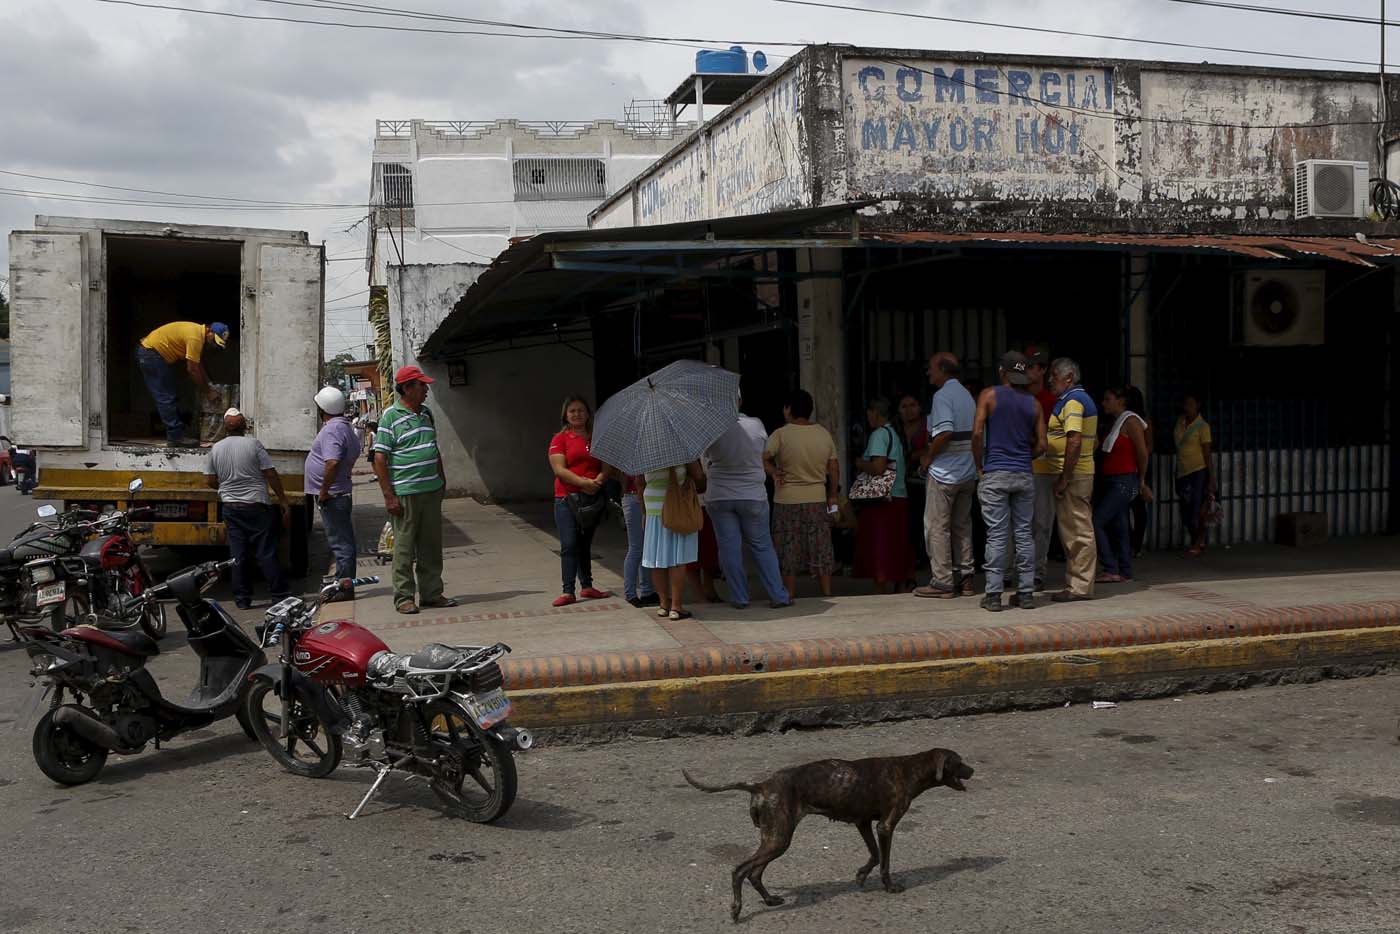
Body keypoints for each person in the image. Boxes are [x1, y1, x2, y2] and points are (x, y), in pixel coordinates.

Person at [374, 365, 456, 615]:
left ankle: (432, 593)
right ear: (407, 388)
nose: (426, 390)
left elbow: (433, 448)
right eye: (422, 385)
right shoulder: (390, 416)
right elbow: (379, 459)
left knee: (431, 546)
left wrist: (441, 481)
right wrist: (389, 496)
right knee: (404, 548)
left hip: (431, 490)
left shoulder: (427, 414)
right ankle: (404, 598)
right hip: (405, 493)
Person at [972, 352, 1047, 612]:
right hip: (1024, 474)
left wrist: (980, 464)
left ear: (1002, 372)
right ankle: (1025, 593)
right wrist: (1026, 456)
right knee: (1024, 533)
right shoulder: (1034, 404)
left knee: (997, 535)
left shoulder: (988, 395)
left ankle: (993, 595)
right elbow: (1043, 444)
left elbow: (977, 432)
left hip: (995, 472)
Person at [703, 407, 792, 610]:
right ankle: (778, 595)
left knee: (728, 548)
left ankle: (740, 598)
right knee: (762, 546)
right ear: (740, 401)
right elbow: (764, 453)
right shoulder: (756, 424)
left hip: (720, 496)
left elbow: (704, 459)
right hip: (752, 495)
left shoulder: (710, 429)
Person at [204, 408, 291, 610]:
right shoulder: (253, 445)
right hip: (257, 505)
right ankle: (279, 595)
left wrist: (225, 488)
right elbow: (270, 473)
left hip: (231, 508)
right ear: (245, 427)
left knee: (238, 555)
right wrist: (283, 500)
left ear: (225, 428)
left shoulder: (216, 449)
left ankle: (242, 599)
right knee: (265, 552)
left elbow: (209, 479)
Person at [764, 390, 839, 599]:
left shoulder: (780, 434)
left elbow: (764, 457)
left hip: (786, 499)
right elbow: (833, 467)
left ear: (788, 409)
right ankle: (827, 591)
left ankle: (789, 592)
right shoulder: (823, 433)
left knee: (788, 546)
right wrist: (832, 494)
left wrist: (773, 472)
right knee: (821, 545)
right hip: (817, 498)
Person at [913, 352, 976, 599]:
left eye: (931, 368)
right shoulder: (967, 396)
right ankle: (967, 578)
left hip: (944, 473)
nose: (929, 373)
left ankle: (942, 582)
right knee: (962, 526)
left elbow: (944, 432)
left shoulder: (942, 396)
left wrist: (928, 458)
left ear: (942, 369)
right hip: (967, 470)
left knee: (937, 527)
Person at [547, 396, 613, 608]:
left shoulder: (597, 437)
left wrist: (599, 481)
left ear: (588, 414)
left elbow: (607, 464)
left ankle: (587, 585)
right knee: (569, 545)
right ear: (565, 415)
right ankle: (568, 591)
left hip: (592, 498)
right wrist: (583, 482)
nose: (577, 414)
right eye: (572, 411)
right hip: (567, 499)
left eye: (581, 410)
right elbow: (559, 469)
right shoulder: (560, 439)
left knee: (584, 544)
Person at [1045, 358, 1099, 602]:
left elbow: (1075, 440)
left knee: (1078, 530)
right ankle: (1078, 583)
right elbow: (1092, 441)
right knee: (1074, 530)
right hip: (1078, 472)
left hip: (1075, 476)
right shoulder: (1075, 399)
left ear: (1068, 378)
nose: (1050, 380)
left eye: (1054, 376)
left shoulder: (1074, 401)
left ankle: (1079, 587)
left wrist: (1065, 478)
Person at [136, 321, 230, 448]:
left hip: (153, 353)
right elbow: (192, 369)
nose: (213, 345)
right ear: (209, 331)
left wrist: (210, 385)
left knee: (170, 395)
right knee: (166, 397)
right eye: (214, 341)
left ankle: (177, 435)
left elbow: (198, 364)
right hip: (151, 354)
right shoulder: (195, 337)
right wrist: (208, 392)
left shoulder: (198, 335)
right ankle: (175, 438)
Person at [306, 386, 361, 601]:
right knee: (343, 541)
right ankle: (343, 582)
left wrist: (324, 490)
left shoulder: (332, 430)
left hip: (333, 495)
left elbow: (332, 462)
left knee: (341, 543)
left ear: (323, 409)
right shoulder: (344, 427)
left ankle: (344, 587)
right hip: (339, 492)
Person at [1094, 387, 1153, 584]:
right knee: (1120, 527)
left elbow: (1143, 453)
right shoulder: (1115, 423)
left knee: (1098, 521)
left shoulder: (1131, 421)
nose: (1104, 403)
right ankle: (1125, 571)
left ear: (1121, 401)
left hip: (1124, 480)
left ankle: (1110, 567)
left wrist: (1142, 480)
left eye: (1108, 399)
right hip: (1114, 480)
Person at [853, 397, 911, 594]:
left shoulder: (878, 434)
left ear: (874, 413)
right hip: (898, 495)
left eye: (869, 413)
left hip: (883, 499)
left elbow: (878, 467)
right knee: (896, 545)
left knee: (880, 548)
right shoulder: (895, 433)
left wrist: (860, 464)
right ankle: (900, 585)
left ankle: (880, 590)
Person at [640, 460, 707, 621]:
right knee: (678, 558)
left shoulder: (645, 451)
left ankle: (663, 604)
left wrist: (643, 512)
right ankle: (676, 606)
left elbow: (639, 483)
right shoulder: (681, 451)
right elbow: (699, 477)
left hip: (652, 507)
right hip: (675, 507)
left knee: (656, 558)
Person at [1026, 346, 1060, 589]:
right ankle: (1017, 570)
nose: (1027, 371)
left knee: (1041, 524)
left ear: (1043, 370)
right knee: (1018, 525)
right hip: (1020, 467)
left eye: (1031, 367)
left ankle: (1037, 572)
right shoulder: (1018, 397)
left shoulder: (1053, 401)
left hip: (1044, 469)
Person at [1174, 392, 1217, 557]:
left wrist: (1211, 478)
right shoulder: (1180, 421)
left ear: (1198, 405)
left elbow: (1207, 453)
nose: (1187, 407)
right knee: (1185, 510)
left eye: (1191, 404)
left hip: (1198, 471)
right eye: (1185, 404)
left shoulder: (1202, 426)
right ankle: (1198, 540)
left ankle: (1197, 542)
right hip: (1181, 470)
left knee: (1196, 510)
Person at [897, 393, 930, 584]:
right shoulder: (895, 429)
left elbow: (934, 447)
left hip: (922, 482)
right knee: (906, 526)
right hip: (901, 484)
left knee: (924, 523)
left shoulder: (927, 426)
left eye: (913, 405)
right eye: (904, 406)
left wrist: (916, 455)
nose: (909, 410)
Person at [620, 474, 658, 608]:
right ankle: (630, 593)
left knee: (646, 547)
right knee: (636, 548)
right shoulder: (632, 457)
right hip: (634, 497)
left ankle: (647, 590)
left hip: (644, 497)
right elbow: (632, 481)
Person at [1125, 386, 1155, 557]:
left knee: (1138, 507)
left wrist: (1138, 454)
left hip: (1139, 465)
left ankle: (1136, 544)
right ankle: (1131, 543)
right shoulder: (1125, 418)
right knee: (1126, 507)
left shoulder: (1142, 420)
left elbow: (1149, 446)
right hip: (1129, 465)